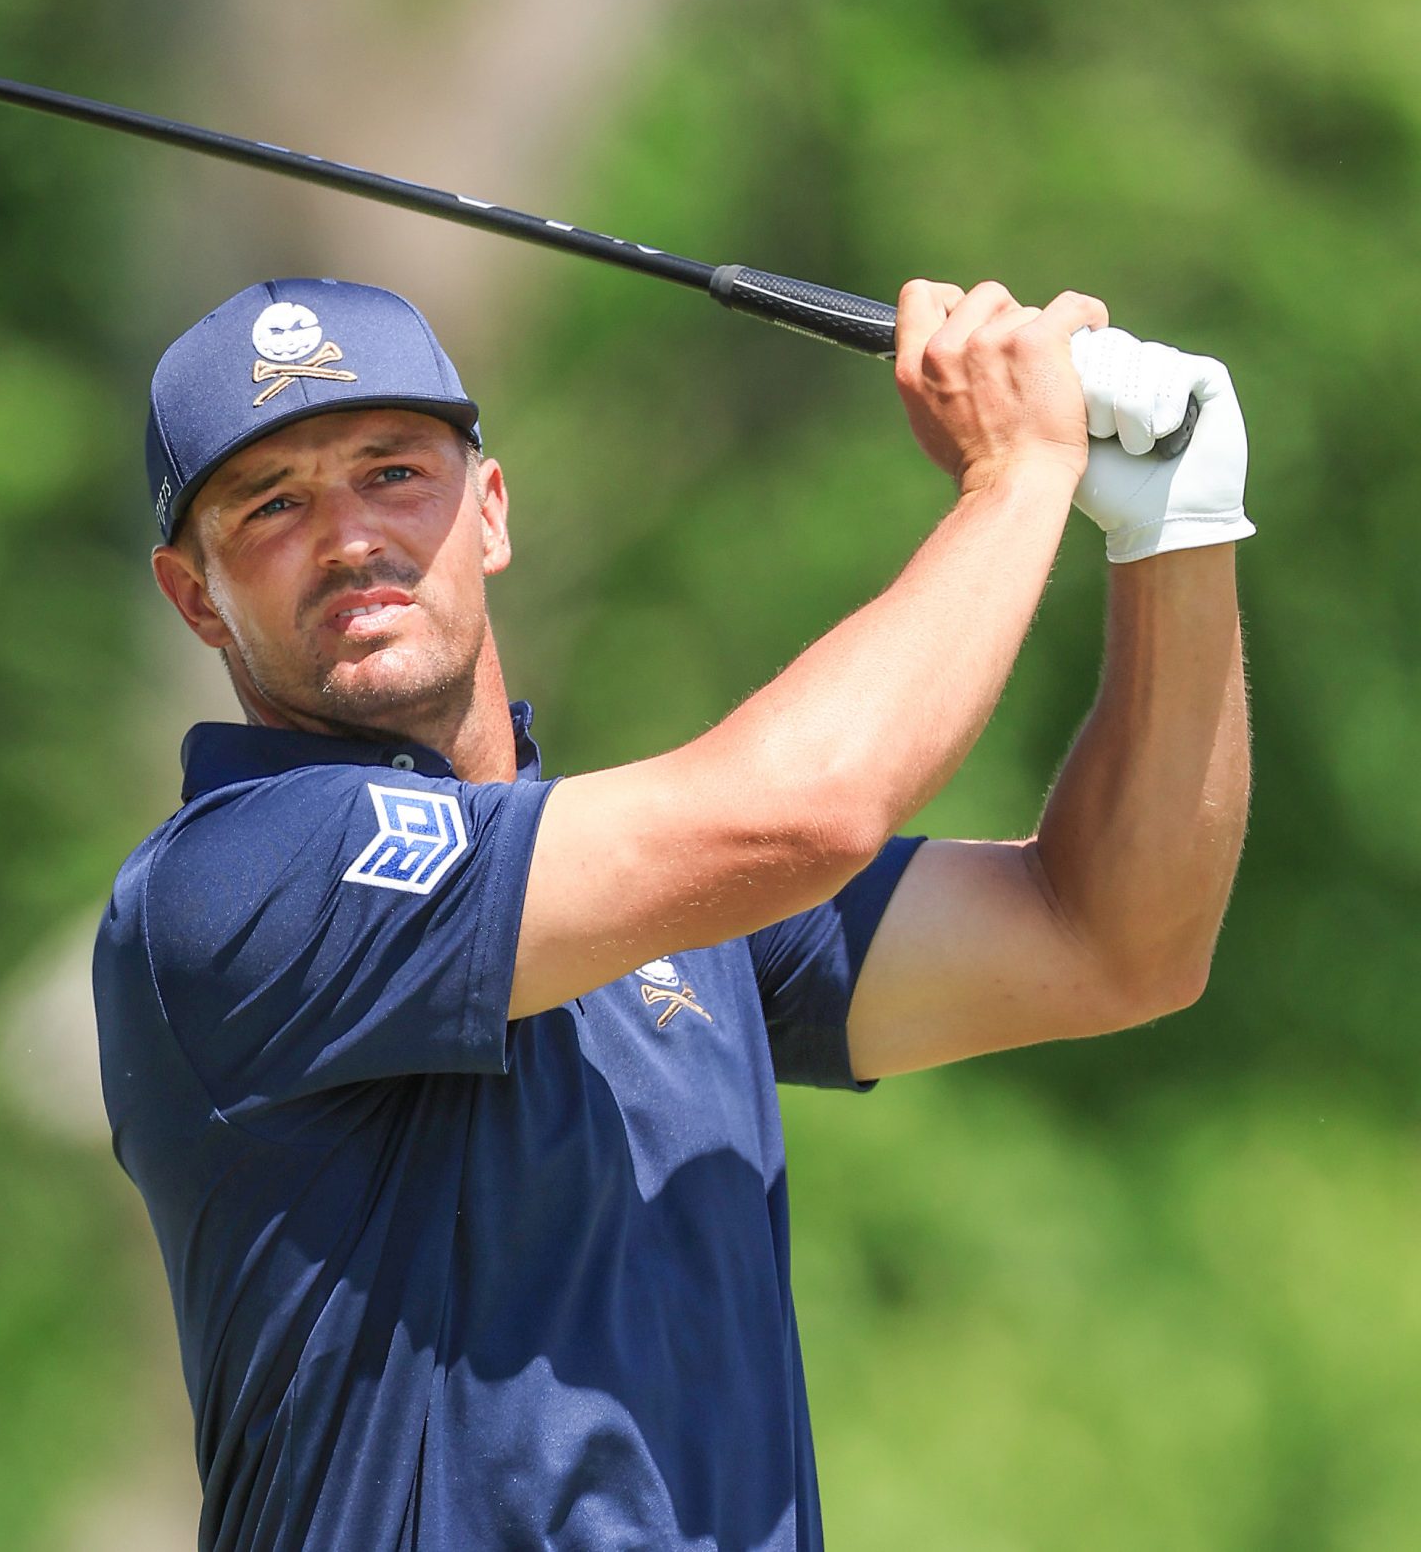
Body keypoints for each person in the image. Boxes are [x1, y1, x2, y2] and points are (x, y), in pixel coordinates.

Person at [93, 275, 1251, 1552]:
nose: (351, 533)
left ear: (488, 509)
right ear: (195, 595)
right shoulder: (232, 879)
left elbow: (1110, 938)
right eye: (272, 503)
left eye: (392, 471)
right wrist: (1018, 474)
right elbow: (811, 804)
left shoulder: (674, 901)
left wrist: (1176, 534)